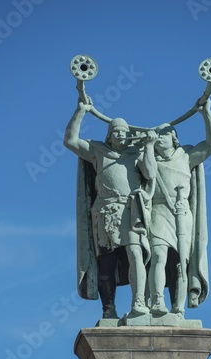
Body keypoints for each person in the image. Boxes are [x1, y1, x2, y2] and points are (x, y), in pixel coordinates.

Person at [64, 99, 157, 319]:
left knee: (136, 253)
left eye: (124, 131)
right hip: (105, 212)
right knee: (107, 261)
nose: (121, 135)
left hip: (131, 209)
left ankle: (139, 302)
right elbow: (70, 140)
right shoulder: (98, 150)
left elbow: (151, 174)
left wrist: (150, 146)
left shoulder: (137, 153)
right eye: (116, 131)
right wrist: (81, 110)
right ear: (109, 134)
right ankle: (109, 309)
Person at [148, 99, 211, 318]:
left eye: (164, 133)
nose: (160, 136)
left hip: (182, 215)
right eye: (157, 134)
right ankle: (157, 301)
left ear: (174, 138)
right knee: (158, 256)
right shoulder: (148, 157)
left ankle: (178, 308)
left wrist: (206, 113)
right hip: (158, 212)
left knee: (180, 264)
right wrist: (147, 145)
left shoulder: (185, 156)